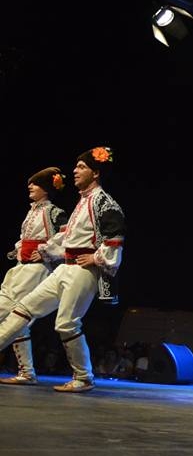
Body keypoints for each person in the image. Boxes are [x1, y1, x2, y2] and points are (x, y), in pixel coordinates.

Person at [0, 147, 125, 392]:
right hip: (64, 268)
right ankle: (34, 371)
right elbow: (66, 236)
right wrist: (47, 250)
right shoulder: (83, 202)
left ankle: (84, 377)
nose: (75, 171)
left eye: (82, 167)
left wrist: (96, 257)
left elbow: (115, 236)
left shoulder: (104, 202)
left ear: (96, 173)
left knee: (67, 323)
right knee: (23, 309)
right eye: (76, 166)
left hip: (82, 271)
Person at [0, 167, 69, 385]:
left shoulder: (53, 212)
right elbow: (25, 236)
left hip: (36, 270)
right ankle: (27, 372)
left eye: (35, 184)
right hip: (21, 268)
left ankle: (27, 372)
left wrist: (47, 252)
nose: (30, 186)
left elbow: (66, 237)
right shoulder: (33, 211)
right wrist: (19, 250)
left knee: (6, 309)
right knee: (18, 320)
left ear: (46, 189)